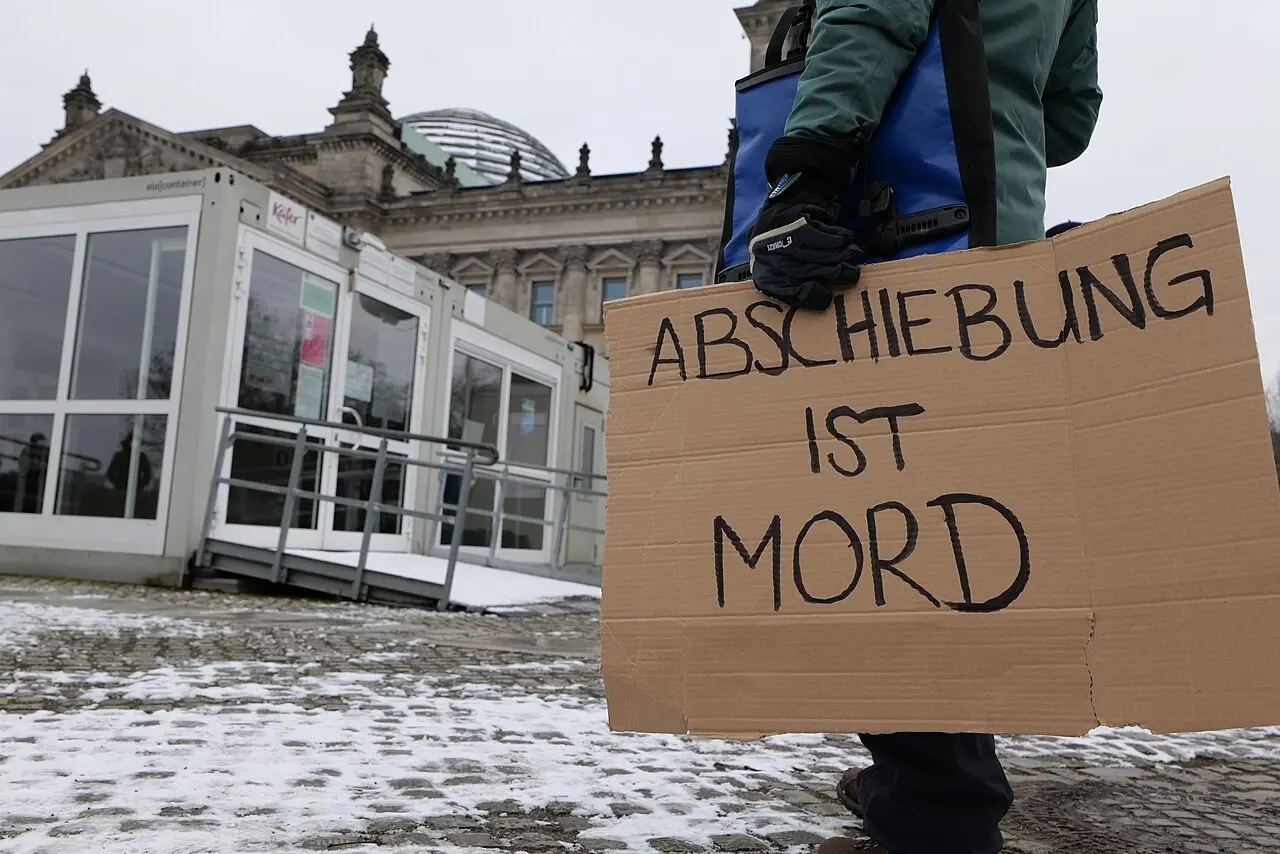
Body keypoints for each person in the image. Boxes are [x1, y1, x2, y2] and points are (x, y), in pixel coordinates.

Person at [745, 2, 1102, 853]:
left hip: (886, 236)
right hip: (993, 241)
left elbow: (868, 19)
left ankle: (936, 819)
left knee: (880, 529)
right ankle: (918, 782)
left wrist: (801, 185)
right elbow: (1069, 118)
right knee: (944, 528)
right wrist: (994, 110)